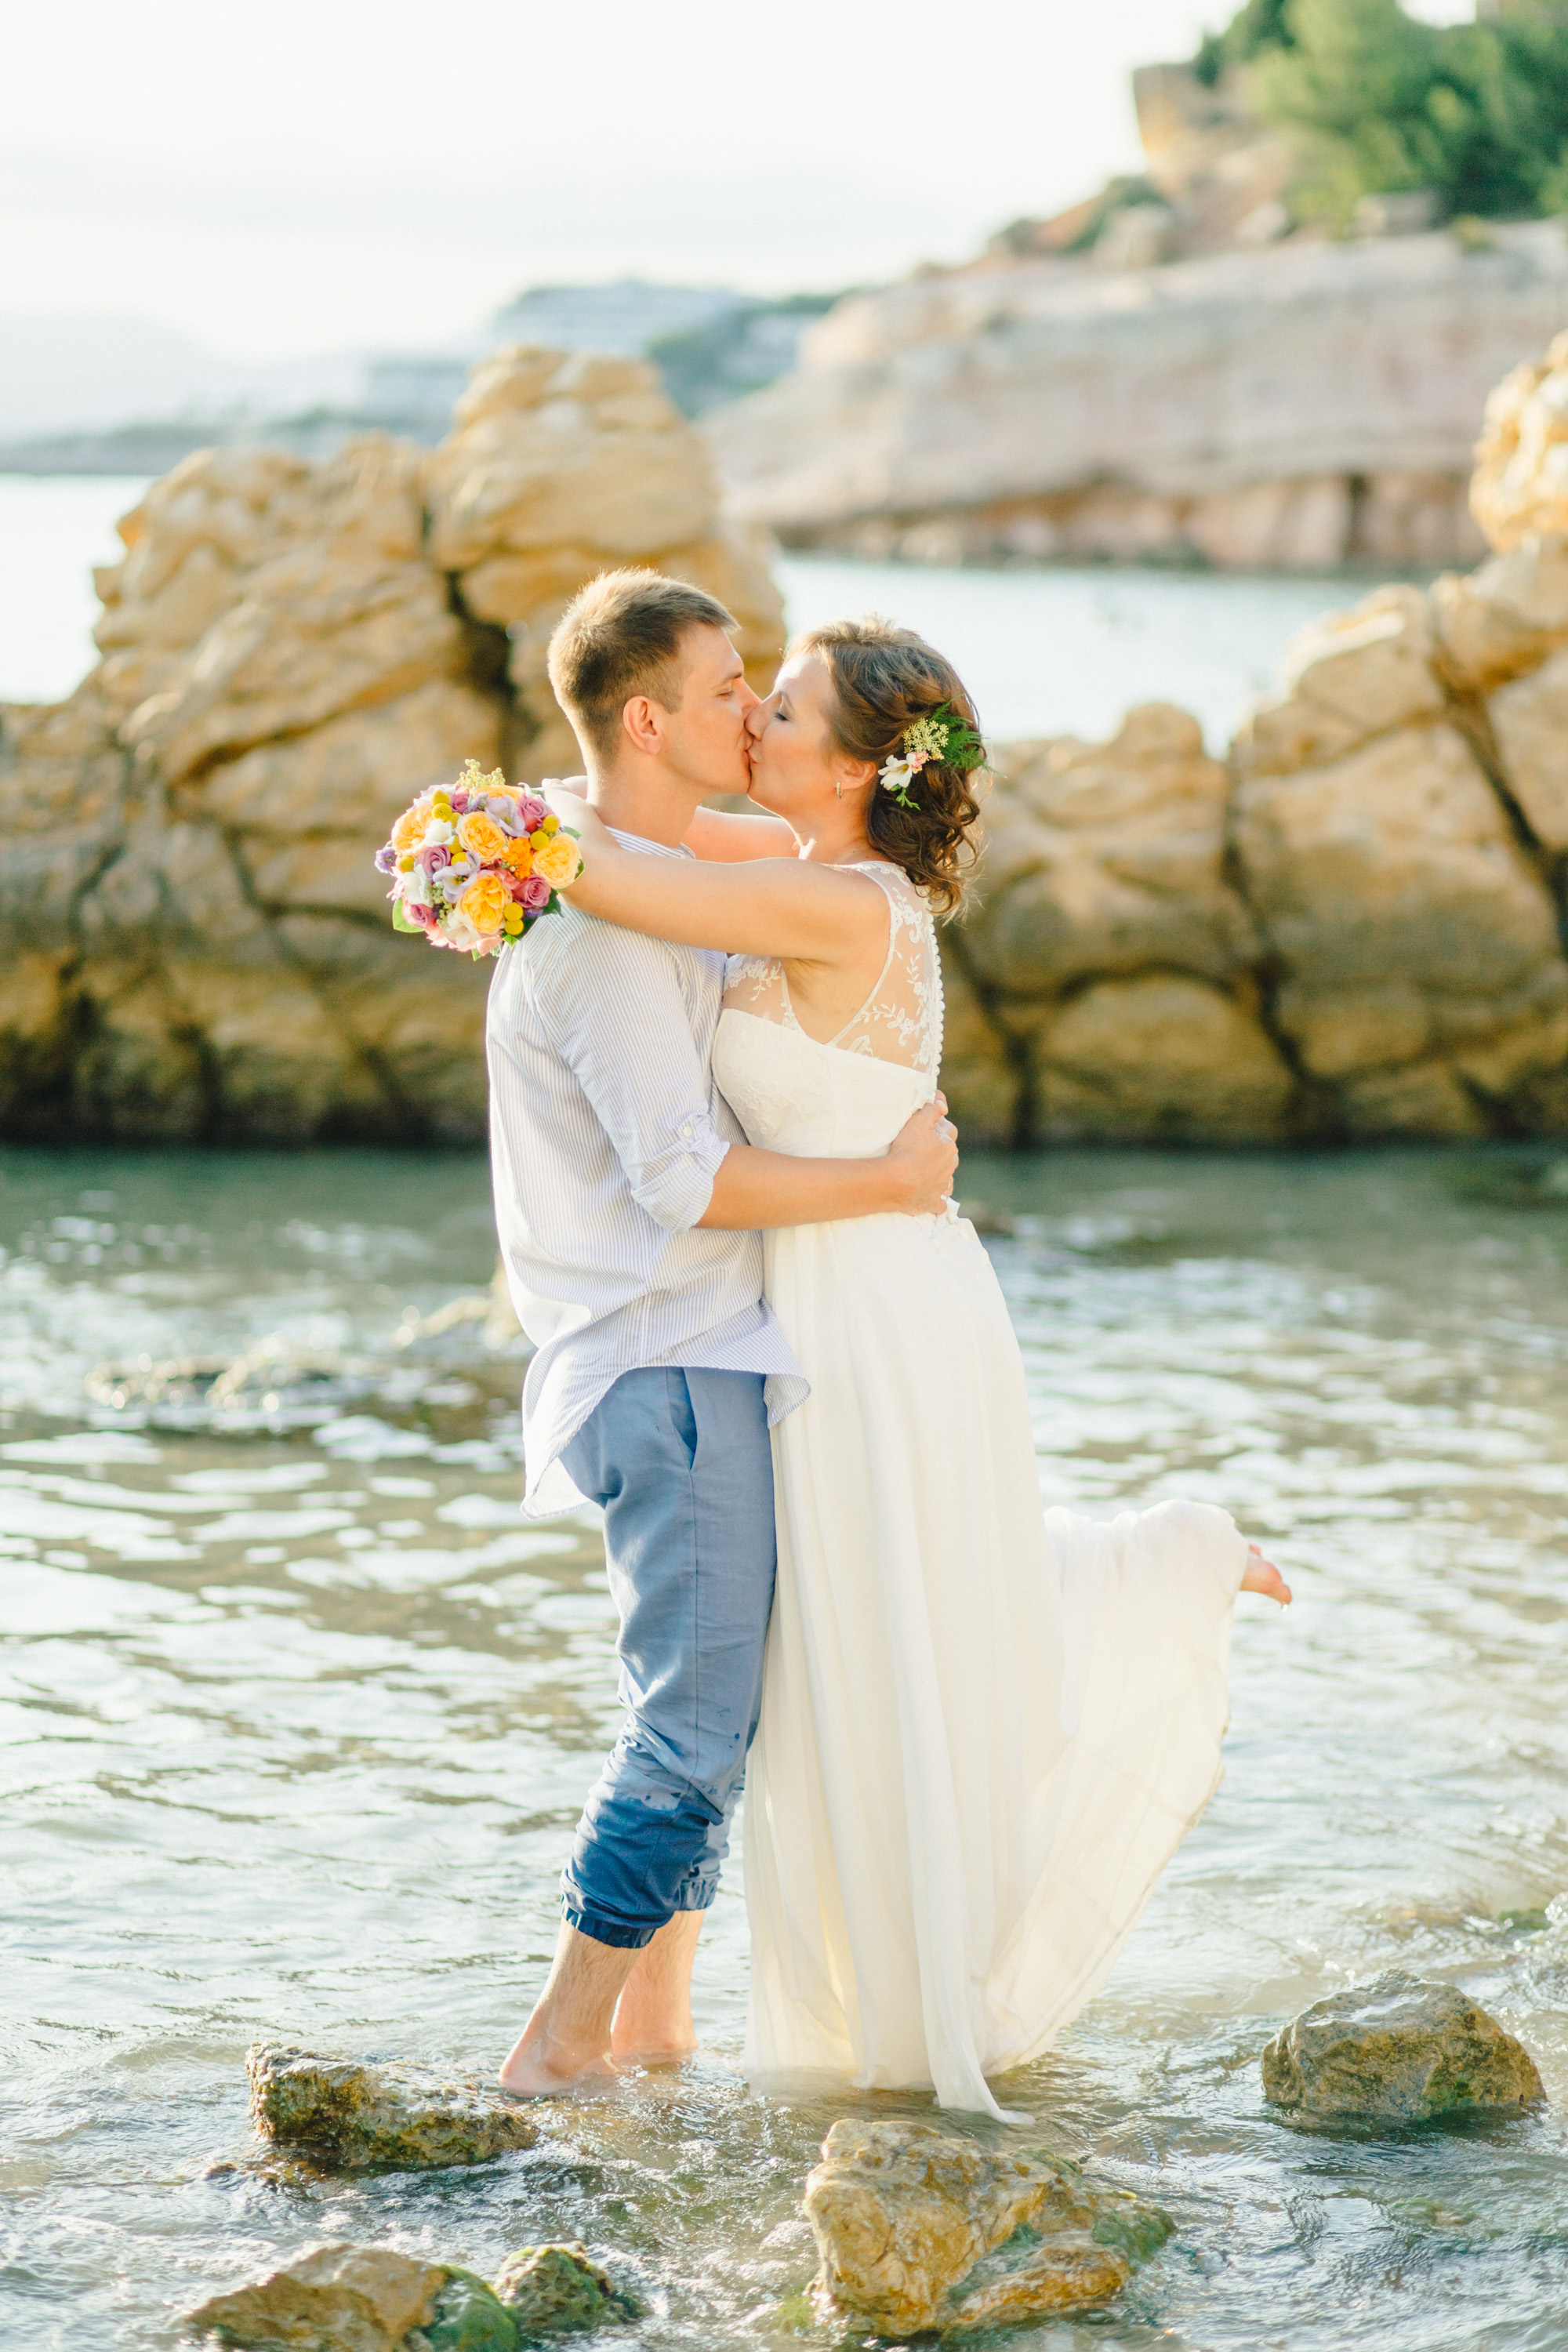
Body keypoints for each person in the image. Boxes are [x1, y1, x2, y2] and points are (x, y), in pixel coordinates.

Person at [542, 611, 1290, 2119]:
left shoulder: (842, 906)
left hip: (868, 1299)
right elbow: (660, 860)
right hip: (830, 1283)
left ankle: (1169, 1560)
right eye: (753, 700)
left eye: (787, 710)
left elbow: (612, 879)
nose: (757, 726)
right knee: (848, 1637)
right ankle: (678, 2031)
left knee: (880, 1611)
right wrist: (559, 807)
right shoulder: (803, 870)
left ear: (862, 768)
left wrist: (471, 834)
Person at [488, 572, 959, 2097]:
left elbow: (691, 853)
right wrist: (889, 1180)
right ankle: (558, 2053)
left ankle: (654, 2043)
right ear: (647, 718)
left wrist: (518, 829)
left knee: (714, 1714)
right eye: (723, 691)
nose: (749, 710)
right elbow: (685, 1181)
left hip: (725, 1346)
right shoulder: (612, 924)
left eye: (773, 697)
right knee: (693, 1727)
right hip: (670, 1358)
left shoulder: (699, 867)